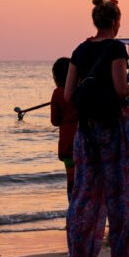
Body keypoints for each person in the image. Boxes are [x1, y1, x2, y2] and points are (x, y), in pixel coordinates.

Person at [64, 0, 129, 257]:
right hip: (115, 130)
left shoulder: (79, 50)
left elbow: (68, 96)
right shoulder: (115, 47)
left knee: (84, 195)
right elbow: (120, 89)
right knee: (122, 194)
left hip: (86, 133)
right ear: (115, 22)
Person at [49, 57, 77, 201]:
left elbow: (55, 121)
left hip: (67, 144)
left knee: (72, 181)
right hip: (83, 141)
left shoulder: (57, 93)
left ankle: (73, 213)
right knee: (85, 181)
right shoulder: (80, 90)